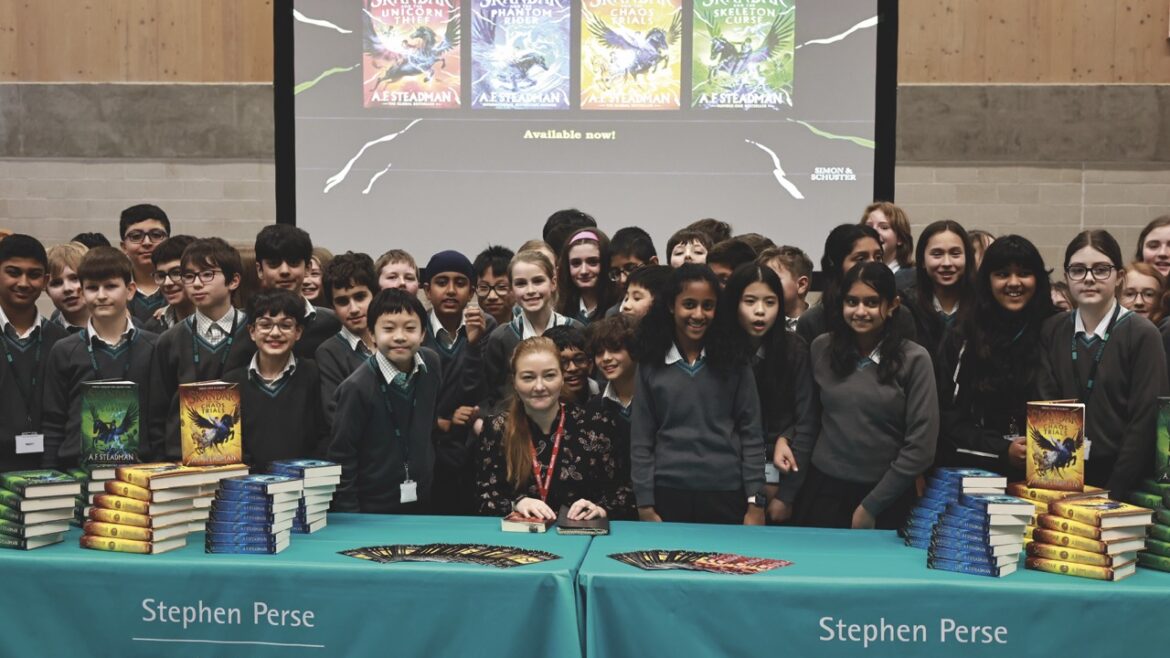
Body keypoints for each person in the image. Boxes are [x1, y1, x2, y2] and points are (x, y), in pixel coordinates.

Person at [796, 262, 938, 530]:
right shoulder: (821, 348)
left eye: (872, 303)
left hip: (887, 498)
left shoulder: (915, 359)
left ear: (893, 305)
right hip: (823, 492)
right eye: (852, 302)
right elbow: (808, 419)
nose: (860, 311)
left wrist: (871, 505)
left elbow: (920, 447)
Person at [630, 264, 766, 525]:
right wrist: (644, 503)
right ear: (671, 306)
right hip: (667, 493)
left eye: (708, 306)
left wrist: (755, 501)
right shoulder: (651, 363)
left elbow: (751, 433)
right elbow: (641, 440)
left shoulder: (735, 361)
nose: (699, 314)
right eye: (689, 304)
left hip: (726, 492)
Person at [1039, 230, 1168, 499]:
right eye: (1078, 270)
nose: (1088, 278)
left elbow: (1143, 422)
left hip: (1122, 481)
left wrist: (1113, 493)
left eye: (1101, 270)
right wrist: (1055, 479)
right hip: (1061, 473)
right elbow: (1046, 403)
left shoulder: (1142, 333)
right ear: (1066, 276)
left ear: (1119, 277)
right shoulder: (1052, 330)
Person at [474, 336, 634, 520]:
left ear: (562, 378)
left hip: (582, 537)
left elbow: (624, 494)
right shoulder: (497, 429)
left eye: (549, 375)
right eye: (528, 377)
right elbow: (485, 497)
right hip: (519, 538)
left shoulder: (597, 425)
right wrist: (517, 503)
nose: (539, 386)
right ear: (515, 383)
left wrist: (599, 509)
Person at [934, 236, 1056, 475]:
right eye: (1002, 274)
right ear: (987, 281)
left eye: (1024, 273)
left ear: (1038, 279)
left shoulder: (1054, 330)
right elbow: (948, 417)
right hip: (979, 475)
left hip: (1050, 471)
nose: (1013, 283)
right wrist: (1002, 449)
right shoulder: (964, 335)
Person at [328, 289, 443, 514]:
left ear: (422, 334)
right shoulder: (357, 387)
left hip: (422, 500)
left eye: (410, 328)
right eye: (388, 329)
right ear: (371, 333)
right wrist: (350, 516)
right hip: (372, 509)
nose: (399, 336)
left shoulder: (432, 364)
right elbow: (342, 456)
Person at [43, 247, 158, 469]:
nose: (102, 295)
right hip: (77, 469)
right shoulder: (64, 350)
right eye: (93, 288)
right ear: (83, 293)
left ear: (130, 290)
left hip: (139, 470)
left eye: (111, 286)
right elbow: (53, 423)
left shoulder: (154, 346)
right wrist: (50, 476)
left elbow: (158, 420)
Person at [720, 264, 818, 524]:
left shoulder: (794, 349)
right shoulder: (719, 352)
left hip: (783, 478)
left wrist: (787, 496)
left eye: (770, 302)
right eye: (750, 301)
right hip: (726, 480)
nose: (760, 311)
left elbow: (807, 421)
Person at [147, 238, 256, 461]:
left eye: (207, 274)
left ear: (233, 280)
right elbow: (158, 412)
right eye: (188, 276)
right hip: (184, 460)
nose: (196, 284)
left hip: (243, 460)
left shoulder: (255, 333)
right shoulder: (170, 340)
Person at [421, 250, 492, 515]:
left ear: (472, 291)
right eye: (442, 282)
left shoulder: (486, 326)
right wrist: (442, 419)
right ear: (427, 290)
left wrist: (474, 346)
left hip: (470, 444)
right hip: (429, 445)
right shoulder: (416, 329)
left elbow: (480, 391)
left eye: (460, 283)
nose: (451, 291)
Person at [224, 289, 328, 466]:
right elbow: (229, 445)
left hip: (306, 482)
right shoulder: (231, 383)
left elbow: (324, 434)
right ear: (252, 331)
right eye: (265, 325)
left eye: (285, 325)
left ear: (298, 332)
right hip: (250, 486)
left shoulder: (313, 373)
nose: (275, 333)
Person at [482, 250, 584, 413]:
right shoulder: (501, 337)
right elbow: (494, 394)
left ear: (553, 283)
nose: (530, 290)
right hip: (515, 425)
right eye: (521, 283)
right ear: (511, 289)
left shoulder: (576, 328)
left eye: (538, 281)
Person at [0, 235, 70, 471]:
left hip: (48, 469)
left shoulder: (62, 341)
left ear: (45, 281)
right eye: (13, 272)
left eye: (34, 274)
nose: (23, 282)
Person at [253, 225, 341, 360]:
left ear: (307, 268)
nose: (284, 271)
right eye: (274, 263)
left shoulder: (333, 323)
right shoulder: (244, 323)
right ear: (260, 270)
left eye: (293, 263)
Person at [796, 224, 894, 343]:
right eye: (861, 259)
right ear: (836, 264)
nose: (872, 265)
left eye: (878, 257)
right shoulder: (813, 321)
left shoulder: (897, 313)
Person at [316, 252, 378, 429]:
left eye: (360, 297)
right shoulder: (329, 352)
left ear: (374, 295)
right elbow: (336, 415)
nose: (354, 309)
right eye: (343, 301)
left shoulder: (394, 341)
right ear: (333, 308)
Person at [906, 220, 976, 356]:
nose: (947, 263)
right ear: (922, 261)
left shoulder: (982, 305)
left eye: (955, 254)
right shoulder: (907, 306)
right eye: (937, 254)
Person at [118, 204, 171, 324]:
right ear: (124, 247)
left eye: (156, 235)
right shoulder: (113, 288)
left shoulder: (185, 287)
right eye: (136, 236)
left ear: (168, 241)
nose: (147, 243)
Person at [555, 229, 614, 325]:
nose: (584, 271)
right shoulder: (558, 309)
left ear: (606, 263)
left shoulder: (620, 308)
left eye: (593, 262)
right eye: (576, 263)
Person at [143, 234, 196, 334]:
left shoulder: (220, 322)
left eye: (176, 273)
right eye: (161, 275)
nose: (167, 283)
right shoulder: (154, 326)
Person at [861, 201, 915, 290]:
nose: (874, 232)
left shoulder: (911, 280)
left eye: (884, 227)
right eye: (869, 227)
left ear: (900, 238)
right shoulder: (856, 276)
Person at [758, 245, 812, 331]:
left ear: (801, 285)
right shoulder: (760, 323)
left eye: (773, 278)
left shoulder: (821, 321)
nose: (764, 286)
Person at [544, 325, 597, 404]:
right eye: (562, 362)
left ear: (590, 364)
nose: (572, 368)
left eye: (579, 360)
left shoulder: (603, 396)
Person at [45, 242, 88, 333]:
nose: (67, 288)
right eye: (56, 283)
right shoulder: (46, 338)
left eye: (75, 278)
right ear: (47, 290)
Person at [472, 245, 516, 326]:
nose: (492, 296)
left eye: (501, 287)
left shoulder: (530, 328)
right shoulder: (466, 332)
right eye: (484, 287)